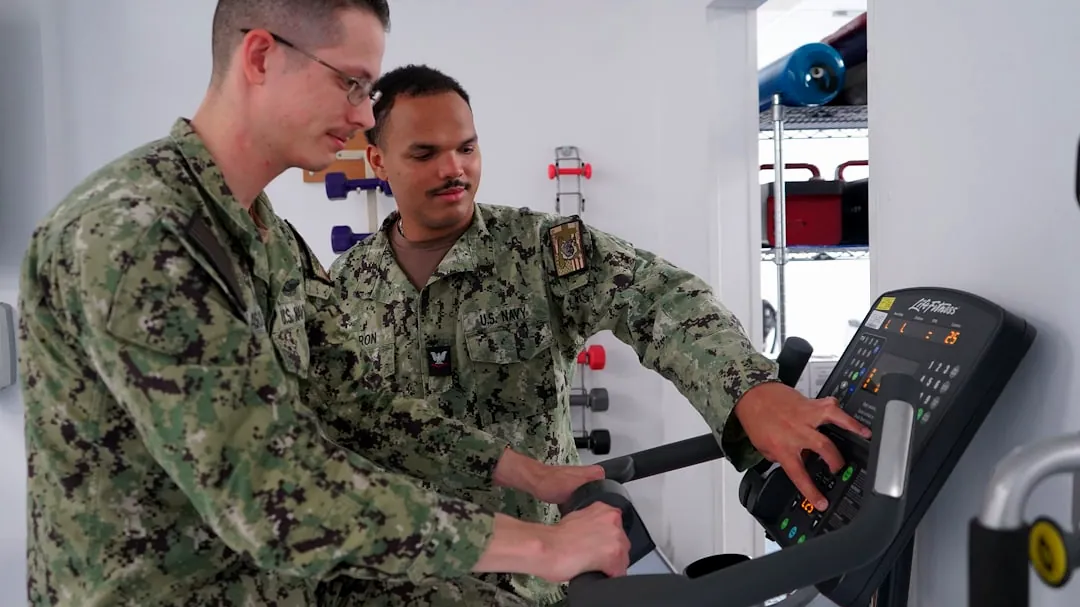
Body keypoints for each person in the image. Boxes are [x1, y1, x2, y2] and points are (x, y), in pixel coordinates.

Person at [17, 3, 632, 606]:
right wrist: (541, 547)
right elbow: (269, 493)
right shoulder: (137, 233)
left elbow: (357, 406)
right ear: (261, 57)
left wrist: (523, 471)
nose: (364, 114)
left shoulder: (270, 241)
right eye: (351, 83)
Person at [328, 63, 876, 605]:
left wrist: (750, 390)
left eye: (466, 148)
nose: (454, 168)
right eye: (425, 154)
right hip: (396, 582)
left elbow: (660, 298)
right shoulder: (348, 282)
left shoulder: (537, 248)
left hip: (528, 582)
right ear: (378, 160)